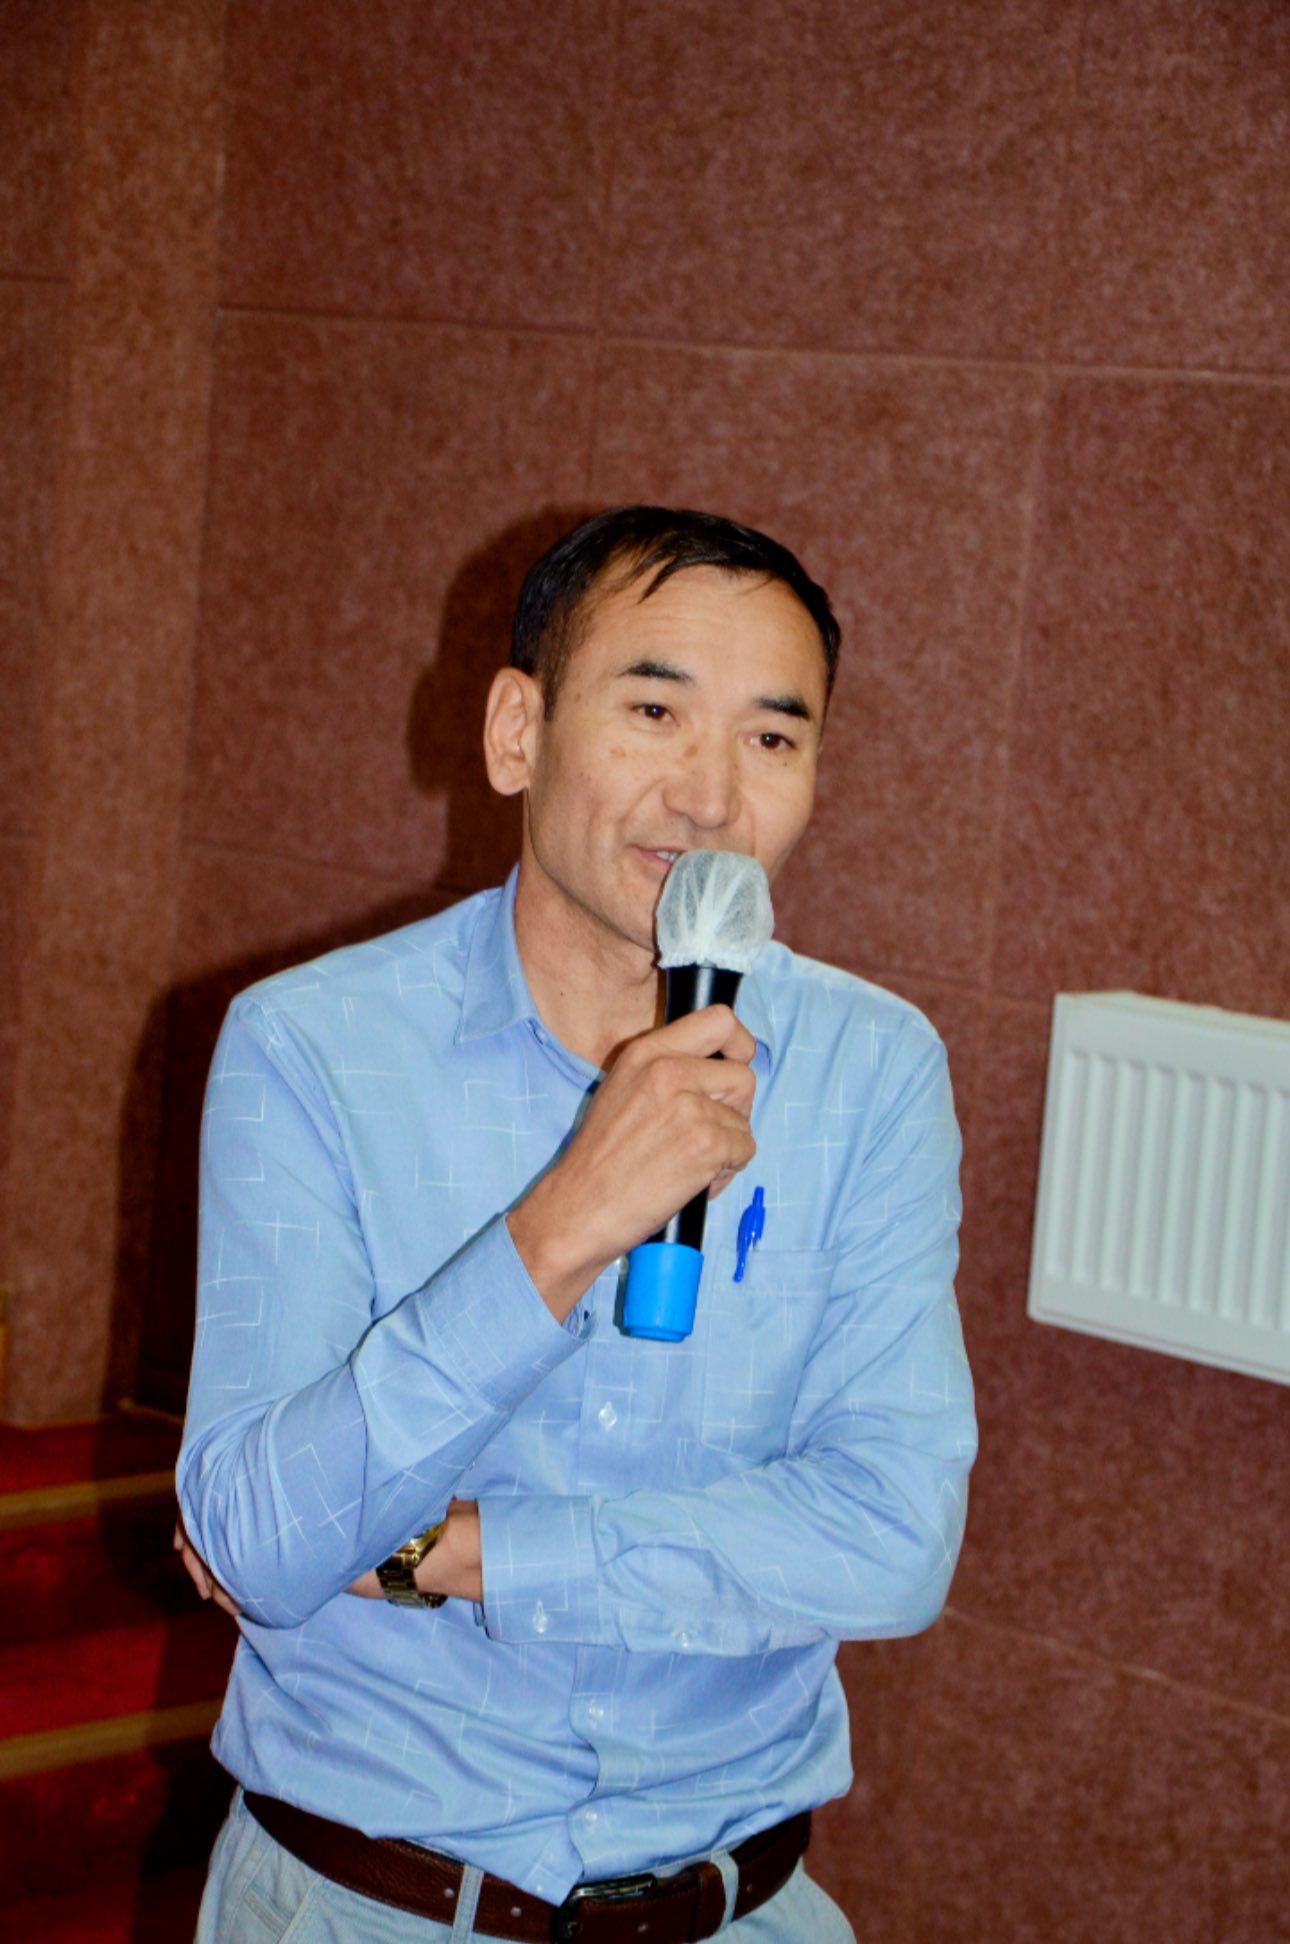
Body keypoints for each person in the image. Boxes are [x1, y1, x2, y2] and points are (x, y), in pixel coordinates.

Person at [177, 505, 977, 1943]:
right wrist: (558, 1229)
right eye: (655, 710)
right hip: (368, 1902)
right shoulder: (312, 1047)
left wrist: (450, 1552)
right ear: (516, 734)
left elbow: (890, 1535)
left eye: (771, 736)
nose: (711, 796)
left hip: (739, 1908)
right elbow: (253, 1542)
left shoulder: (873, 1070)